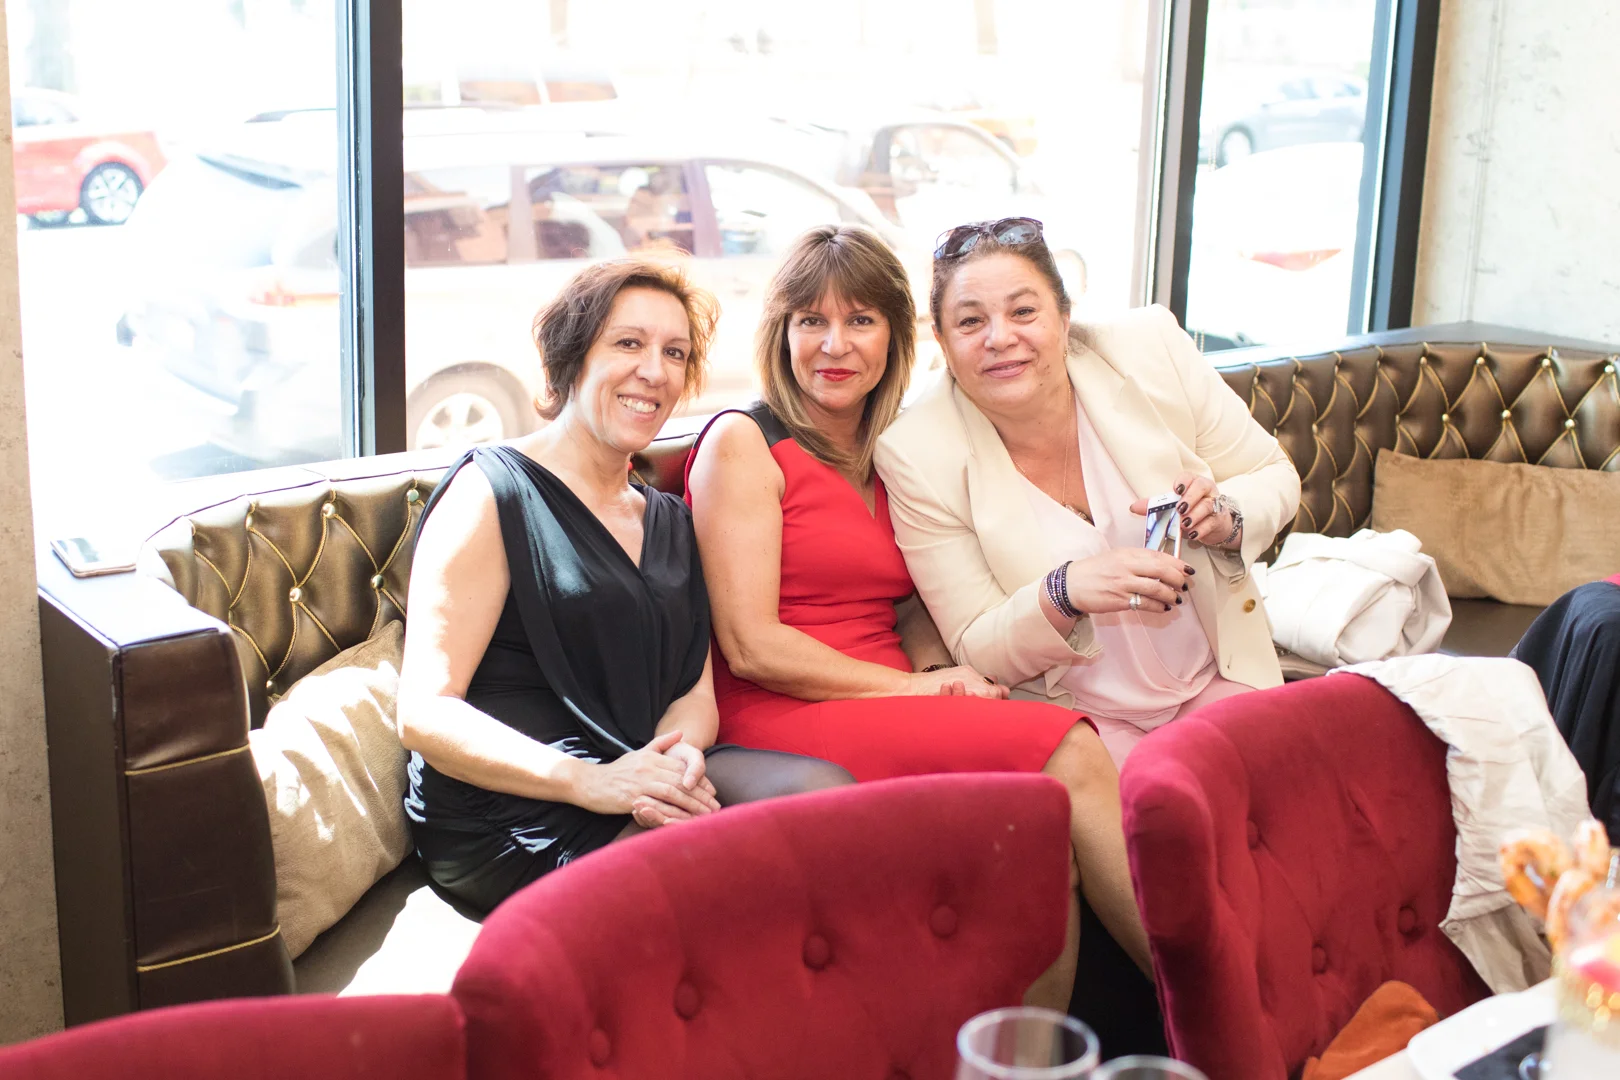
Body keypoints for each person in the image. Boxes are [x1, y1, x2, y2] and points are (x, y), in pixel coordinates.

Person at [685, 224, 1152, 988]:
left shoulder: (890, 447)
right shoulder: (743, 442)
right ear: (782, 332)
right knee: (1067, 746)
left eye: (860, 320)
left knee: (1037, 842)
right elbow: (750, 646)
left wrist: (939, 670)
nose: (835, 345)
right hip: (783, 708)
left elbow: (907, 603)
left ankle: (1021, 1051)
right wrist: (913, 688)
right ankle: (1205, 1009)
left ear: (897, 336)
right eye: (812, 320)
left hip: (890, 693)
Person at [398, 259, 852, 914]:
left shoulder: (669, 519)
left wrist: (675, 764)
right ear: (573, 356)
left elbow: (694, 695)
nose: (655, 371)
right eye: (629, 343)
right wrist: (590, 783)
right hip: (512, 809)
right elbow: (425, 713)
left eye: (675, 352)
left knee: (827, 799)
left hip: (634, 768)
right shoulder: (490, 492)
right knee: (724, 876)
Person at [875, 217, 1302, 766]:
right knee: (1152, 811)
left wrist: (1226, 516)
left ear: (1064, 315)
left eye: (1023, 311)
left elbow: (1273, 472)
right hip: (1080, 720)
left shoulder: (1149, 348)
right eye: (970, 321)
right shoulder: (915, 451)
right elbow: (976, 644)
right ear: (942, 340)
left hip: (1220, 674)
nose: (999, 338)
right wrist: (1063, 591)